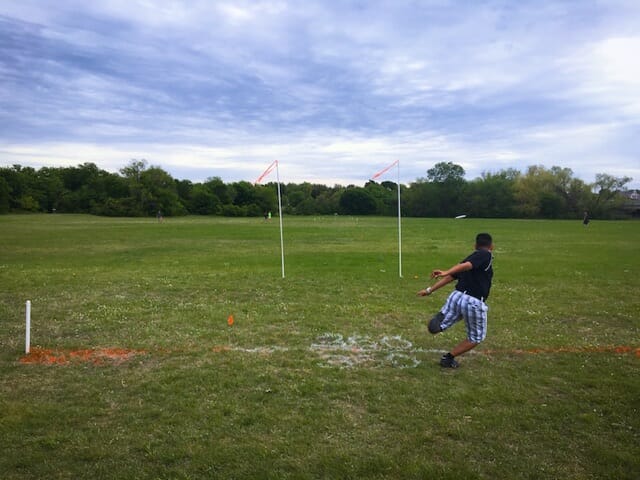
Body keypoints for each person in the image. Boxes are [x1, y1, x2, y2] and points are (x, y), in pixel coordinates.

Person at [417, 233, 494, 368]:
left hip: (457, 296)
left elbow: (452, 276)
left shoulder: (471, 258)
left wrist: (429, 290)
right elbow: (463, 268)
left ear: (475, 245)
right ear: (491, 246)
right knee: (476, 338)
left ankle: (439, 323)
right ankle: (448, 358)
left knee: (442, 325)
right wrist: (446, 271)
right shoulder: (485, 255)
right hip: (473, 302)